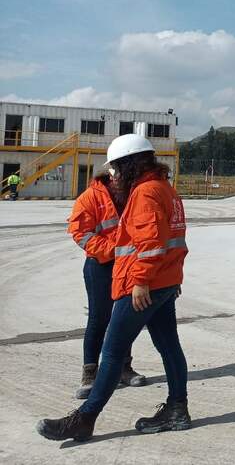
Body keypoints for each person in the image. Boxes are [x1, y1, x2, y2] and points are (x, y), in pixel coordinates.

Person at [38, 134, 190, 441]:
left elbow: (149, 244)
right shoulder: (165, 189)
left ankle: (85, 418)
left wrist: (141, 282)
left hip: (144, 284)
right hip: (165, 280)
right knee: (169, 345)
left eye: (118, 168)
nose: (115, 175)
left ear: (131, 165)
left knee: (112, 351)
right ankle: (177, 409)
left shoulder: (145, 193)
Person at [68, 168, 146, 400]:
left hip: (128, 265)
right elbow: (80, 232)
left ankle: (123, 368)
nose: (126, 181)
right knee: (98, 318)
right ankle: (90, 374)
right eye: (122, 176)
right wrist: (113, 251)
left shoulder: (134, 194)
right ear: (111, 177)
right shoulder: (90, 197)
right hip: (100, 266)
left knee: (125, 318)